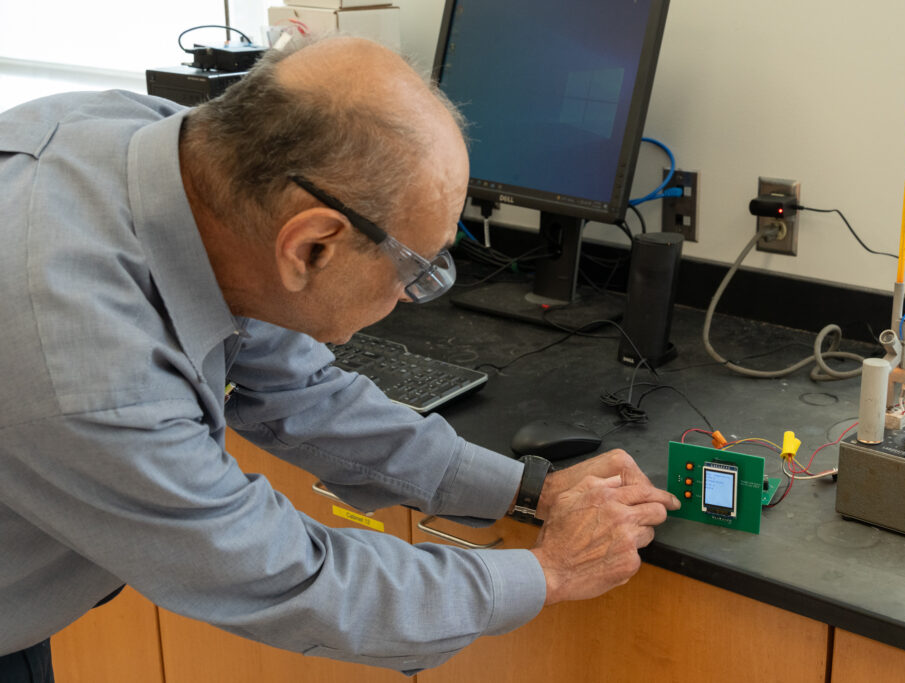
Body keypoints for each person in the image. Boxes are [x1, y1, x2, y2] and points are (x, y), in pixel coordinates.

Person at [0, 34, 679, 679]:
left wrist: (526, 487)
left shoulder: (146, 148)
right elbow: (295, 579)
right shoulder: (89, 371)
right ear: (310, 247)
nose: (416, 296)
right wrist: (550, 570)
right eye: (414, 270)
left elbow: (299, 390)